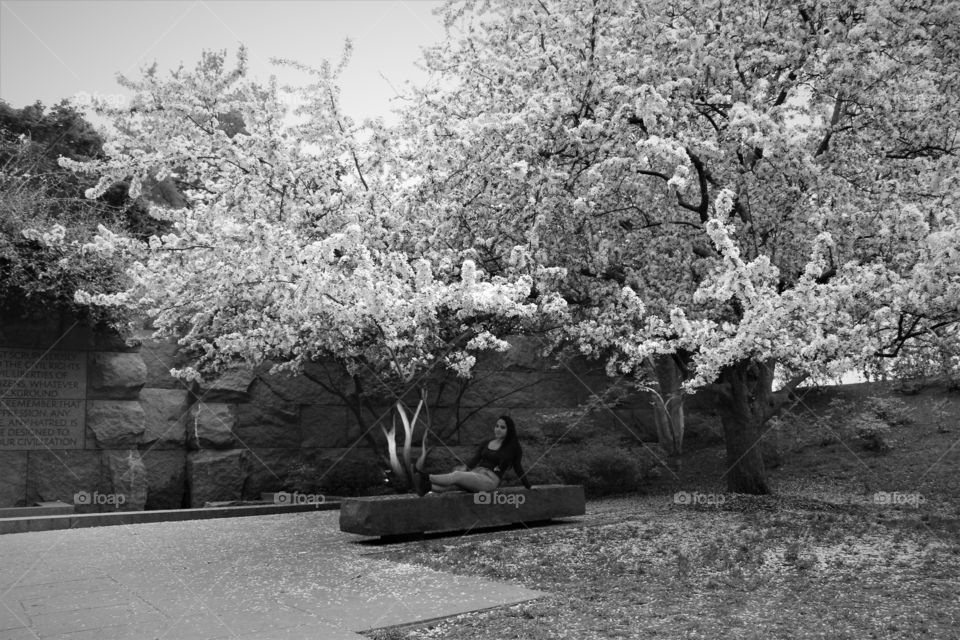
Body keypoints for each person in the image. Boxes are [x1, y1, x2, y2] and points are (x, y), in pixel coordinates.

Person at [417, 415, 532, 496]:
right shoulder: (487, 443)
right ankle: (426, 487)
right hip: (476, 473)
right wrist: (465, 468)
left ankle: (426, 477)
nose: (498, 429)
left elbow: (518, 467)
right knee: (452, 484)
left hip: (489, 480)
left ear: (509, 430)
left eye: (502, 427)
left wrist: (528, 486)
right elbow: (475, 459)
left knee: (457, 475)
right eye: (497, 426)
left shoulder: (513, 447)